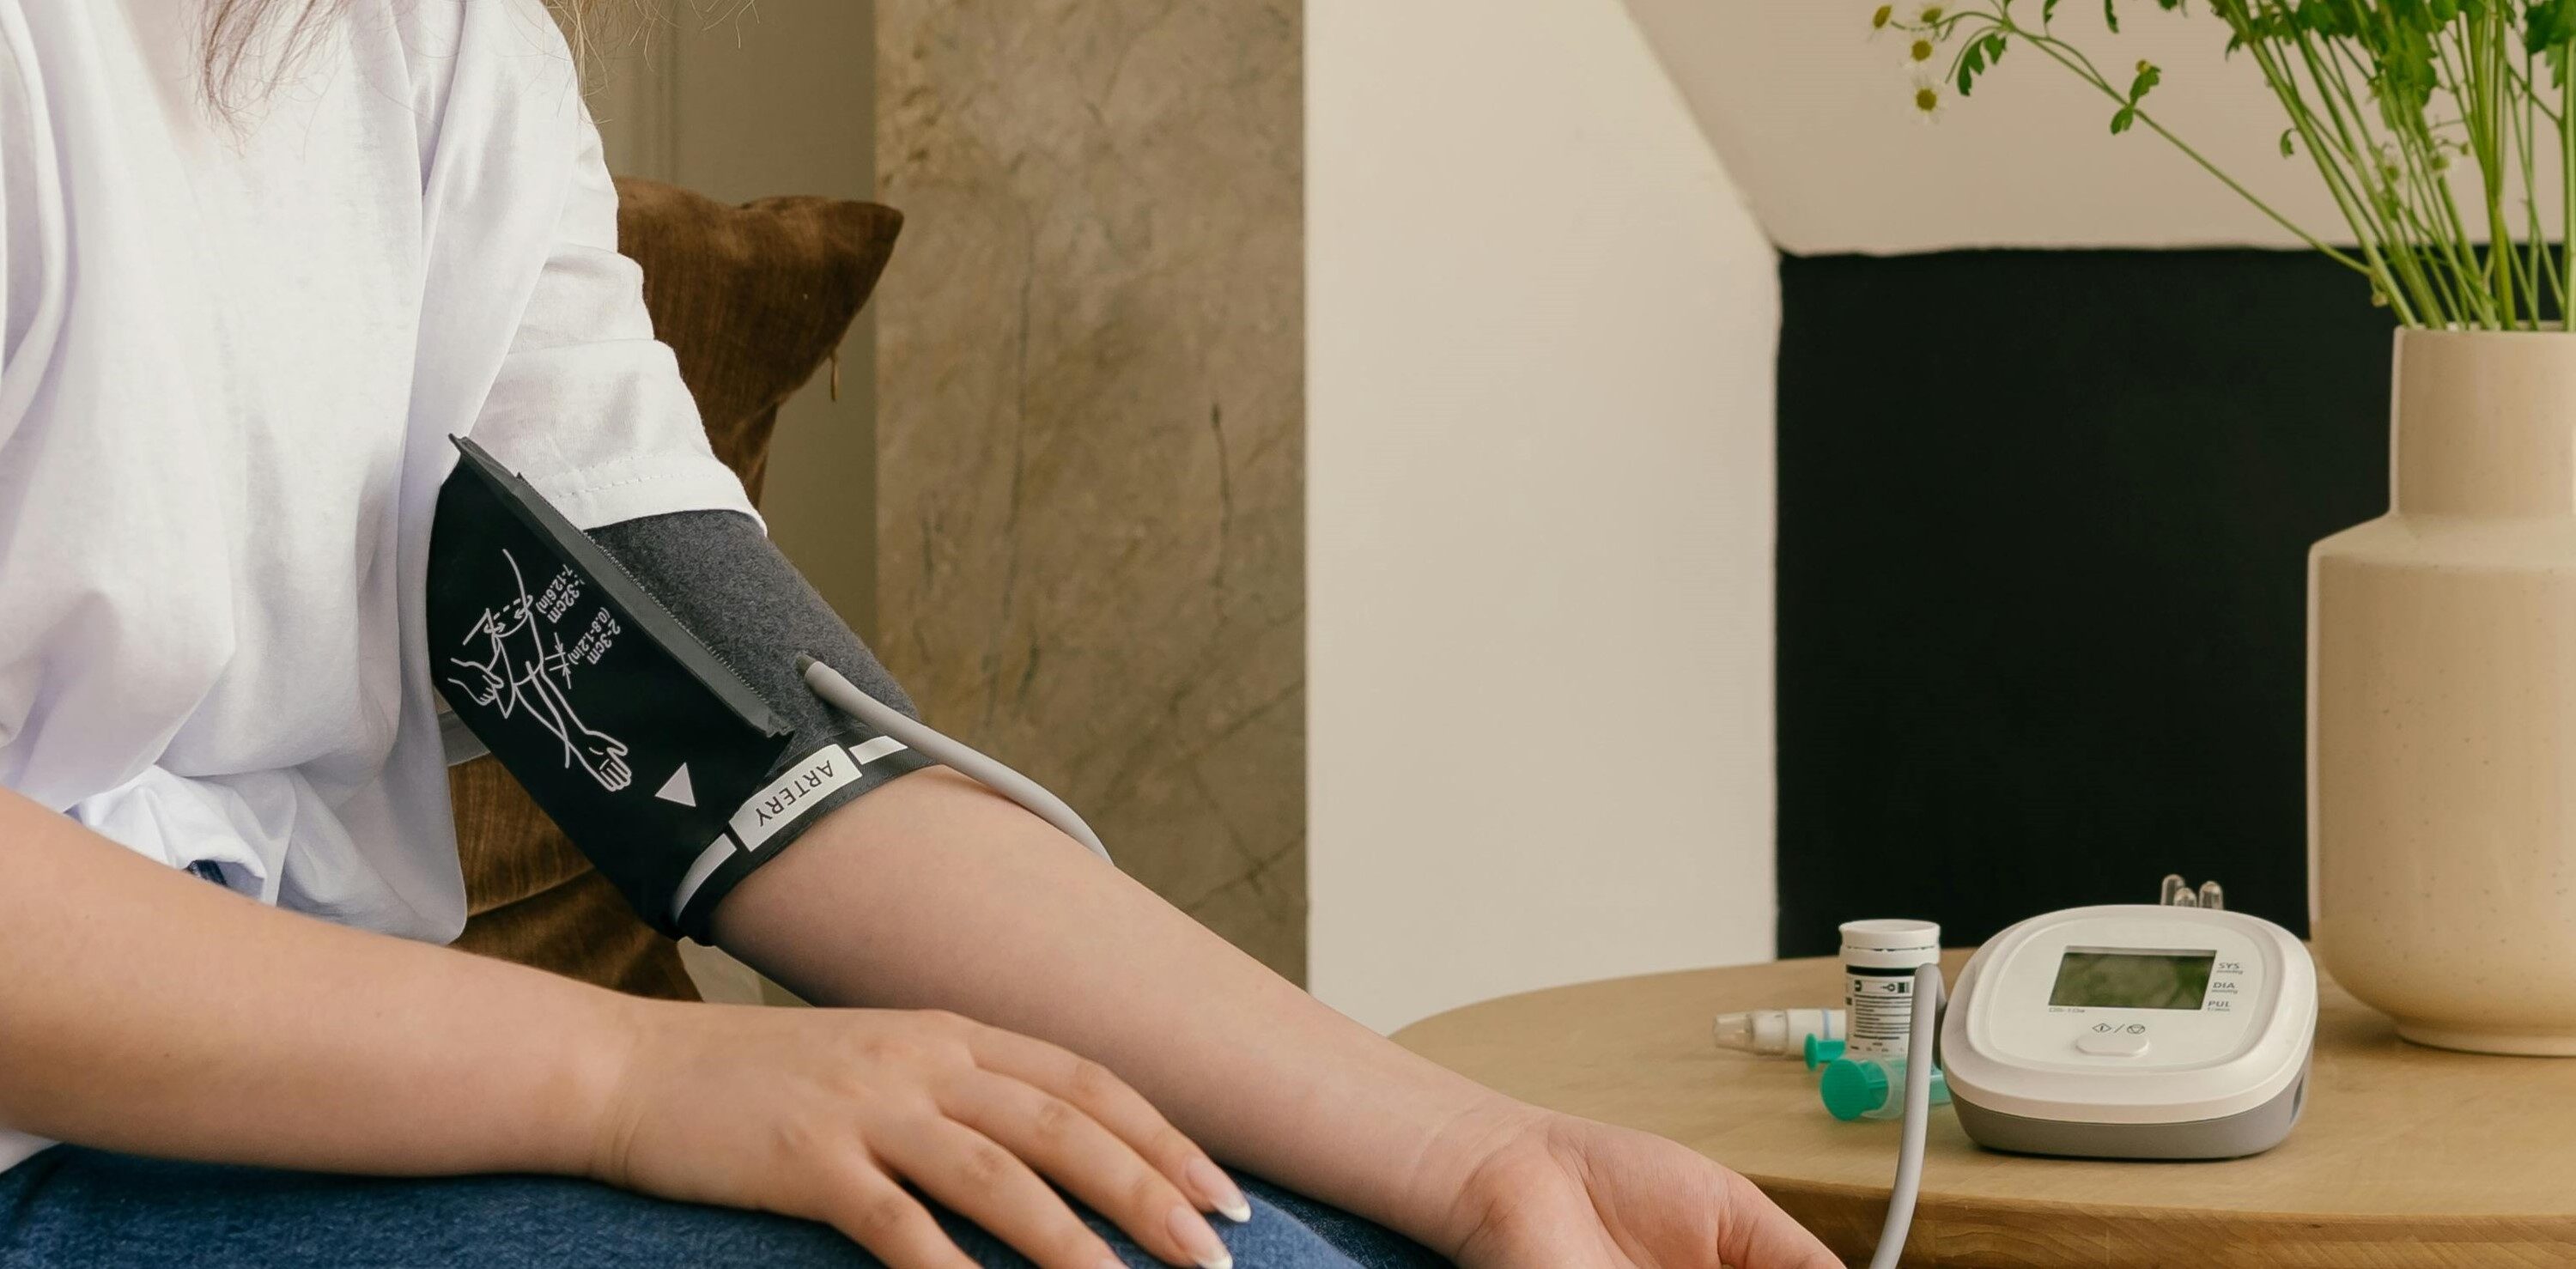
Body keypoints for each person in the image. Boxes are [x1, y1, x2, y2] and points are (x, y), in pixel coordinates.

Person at [0, 3, 1841, 1267]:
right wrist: (642, 1077)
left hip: (300, 1124)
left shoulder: (437, 46)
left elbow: (763, 750)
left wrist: (1476, 1154)